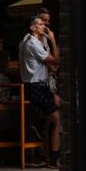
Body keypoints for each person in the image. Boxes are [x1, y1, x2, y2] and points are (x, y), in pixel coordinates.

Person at [19, 15, 60, 162]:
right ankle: (54, 158)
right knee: (57, 120)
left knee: (60, 106)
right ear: (32, 27)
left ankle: (49, 152)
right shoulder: (33, 44)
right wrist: (53, 40)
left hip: (36, 87)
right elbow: (55, 60)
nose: (44, 26)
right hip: (37, 88)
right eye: (41, 24)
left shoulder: (25, 41)